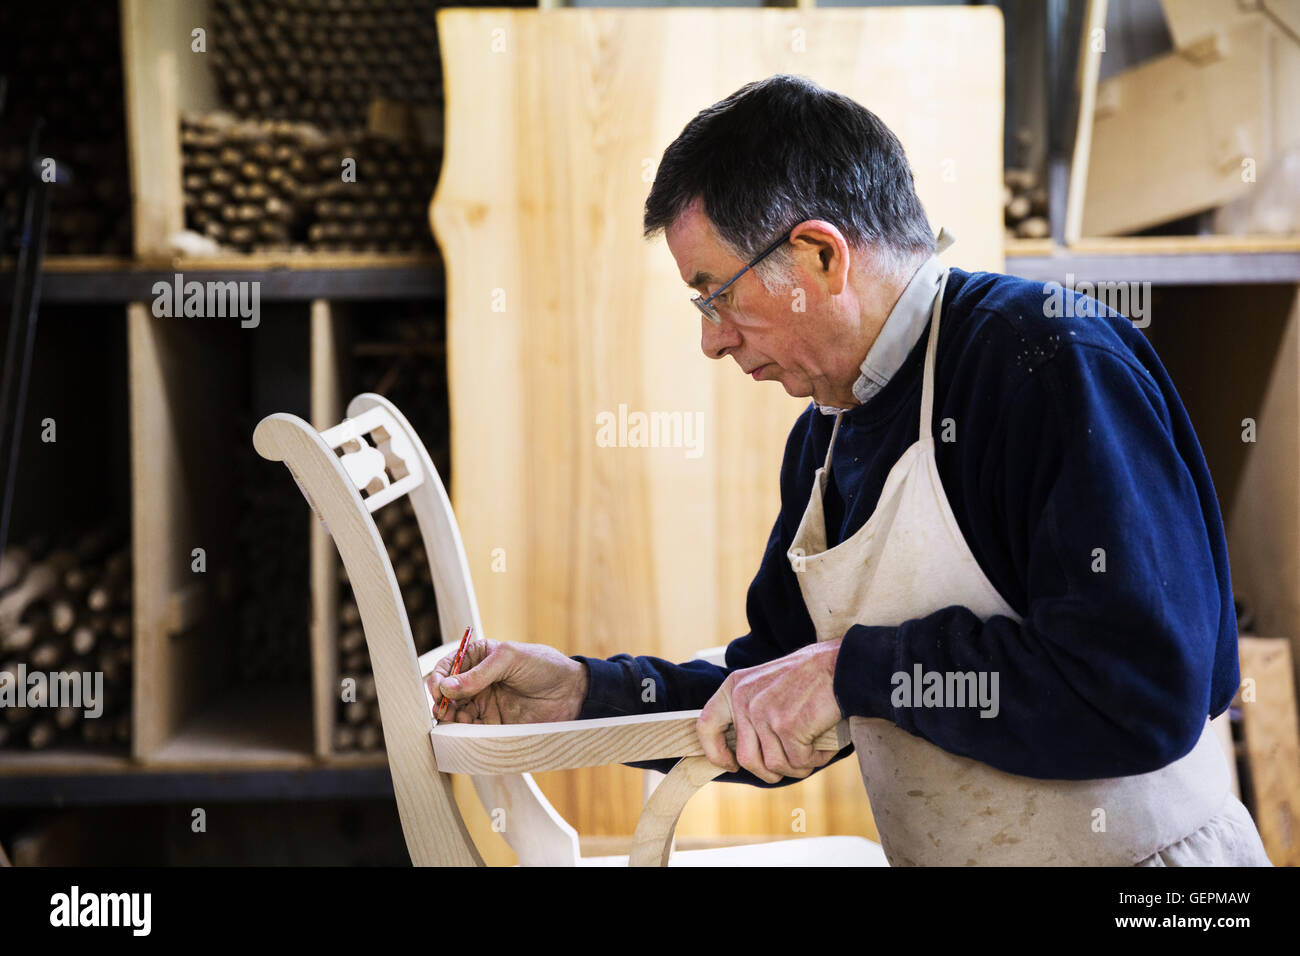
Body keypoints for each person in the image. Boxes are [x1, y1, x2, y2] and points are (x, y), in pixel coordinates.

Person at [426, 74, 1271, 866]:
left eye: (716, 294)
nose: (711, 338)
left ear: (819, 256)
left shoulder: (1047, 362)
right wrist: (583, 693)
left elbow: (1138, 690)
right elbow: (774, 691)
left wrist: (852, 671)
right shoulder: (828, 434)